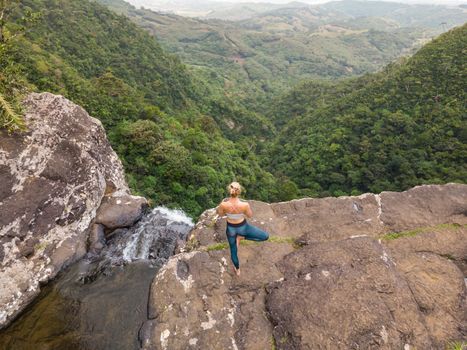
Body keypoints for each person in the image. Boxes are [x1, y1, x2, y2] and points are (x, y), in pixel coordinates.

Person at [216, 181, 269, 276]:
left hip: (231, 229)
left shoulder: (223, 204)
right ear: (239, 192)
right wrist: (242, 211)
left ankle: (237, 269)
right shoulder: (244, 205)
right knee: (265, 236)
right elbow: (250, 215)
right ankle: (242, 237)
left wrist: (226, 209)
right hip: (243, 227)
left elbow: (220, 214)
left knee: (233, 251)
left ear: (229, 191)